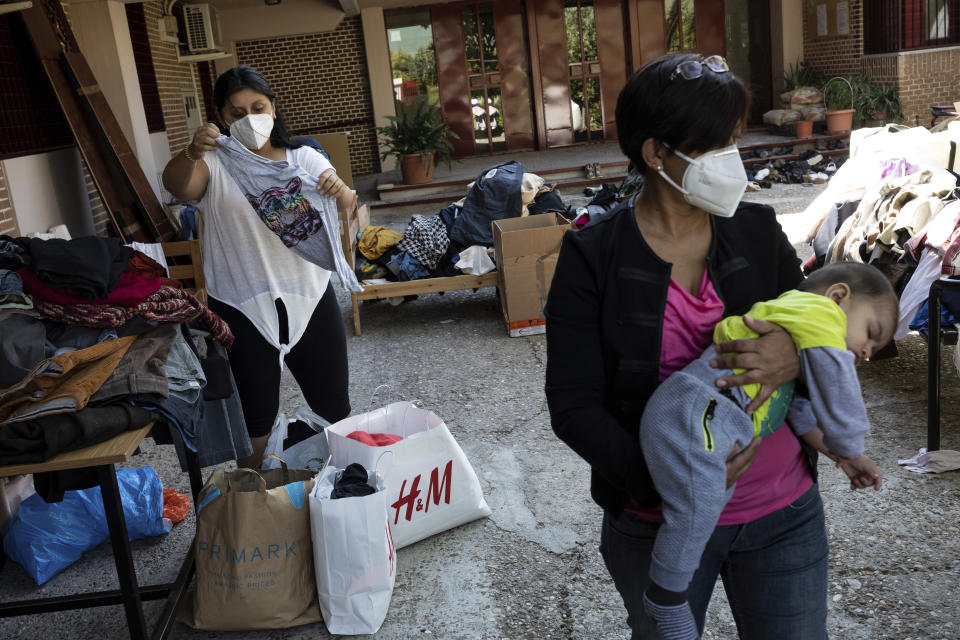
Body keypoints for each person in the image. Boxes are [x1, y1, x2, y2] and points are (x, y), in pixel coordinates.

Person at [544, 52, 827, 639]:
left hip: (781, 511)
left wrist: (794, 355)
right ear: (655, 154)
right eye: (715, 145)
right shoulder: (592, 257)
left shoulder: (756, 229)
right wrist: (666, 479)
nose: (734, 159)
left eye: (734, 140)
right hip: (654, 522)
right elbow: (573, 406)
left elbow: (818, 327)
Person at [639, 262, 898, 639]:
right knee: (696, 505)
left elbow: (799, 412)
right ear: (838, 296)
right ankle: (665, 595)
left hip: (700, 417)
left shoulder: (796, 329)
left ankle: (670, 593)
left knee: (705, 499)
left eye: (873, 350)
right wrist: (850, 440)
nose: (866, 353)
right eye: (870, 333)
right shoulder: (819, 313)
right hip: (693, 413)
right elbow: (838, 398)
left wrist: (845, 458)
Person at [161, 65, 356, 469]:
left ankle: (349, 490)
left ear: (273, 107)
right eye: (236, 112)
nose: (249, 118)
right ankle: (256, 503)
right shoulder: (213, 165)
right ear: (221, 117)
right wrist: (194, 150)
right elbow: (179, 185)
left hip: (309, 297)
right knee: (254, 423)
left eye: (258, 106)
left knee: (336, 409)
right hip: (239, 304)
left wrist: (341, 192)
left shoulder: (303, 156)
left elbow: (345, 198)